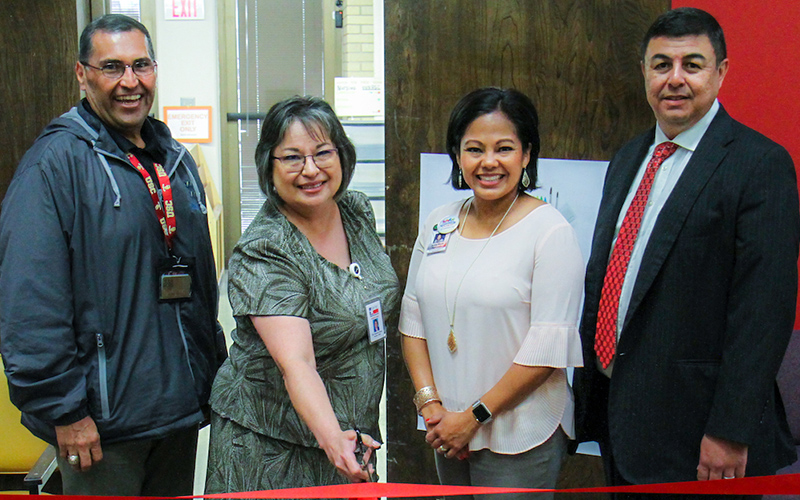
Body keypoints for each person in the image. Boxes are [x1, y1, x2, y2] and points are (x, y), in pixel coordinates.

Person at [573, 7, 799, 498]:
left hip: (703, 439)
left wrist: (729, 431)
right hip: (621, 421)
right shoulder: (629, 157)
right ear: (644, 74)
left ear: (721, 72)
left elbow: (763, 313)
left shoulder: (760, 164)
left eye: (692, 65)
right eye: (661, 65)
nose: (675, 79)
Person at [0, 14, 225, 496]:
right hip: (100, 425)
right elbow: (29, 301)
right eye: (111, 67)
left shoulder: (171, 157)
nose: (130, 82)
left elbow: (199, 285)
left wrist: (207, 378)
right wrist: (65, 411)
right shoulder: (55, 164)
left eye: (140, 65)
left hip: (175, 413)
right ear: (82, 75)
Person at [205, 96, 400, 491]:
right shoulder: (266, 249)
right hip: (271, 445)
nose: (310, 170)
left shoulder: (355, 211)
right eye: (292, 157)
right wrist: (333, 441)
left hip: (348, 435)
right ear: (269, 167)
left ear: (342, 156)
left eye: (323, 153)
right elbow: (297, 363)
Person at [399, 87, 584, 499]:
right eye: (474, 149)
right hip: (446, 428)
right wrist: (431, 407)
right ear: (457, 154)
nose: (488, 162)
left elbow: (547, 350)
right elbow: (412, 321)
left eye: (504, 148)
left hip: (520, 431)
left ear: (526, 154)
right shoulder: (438, 222)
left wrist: (474, 417)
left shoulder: (550, 232)